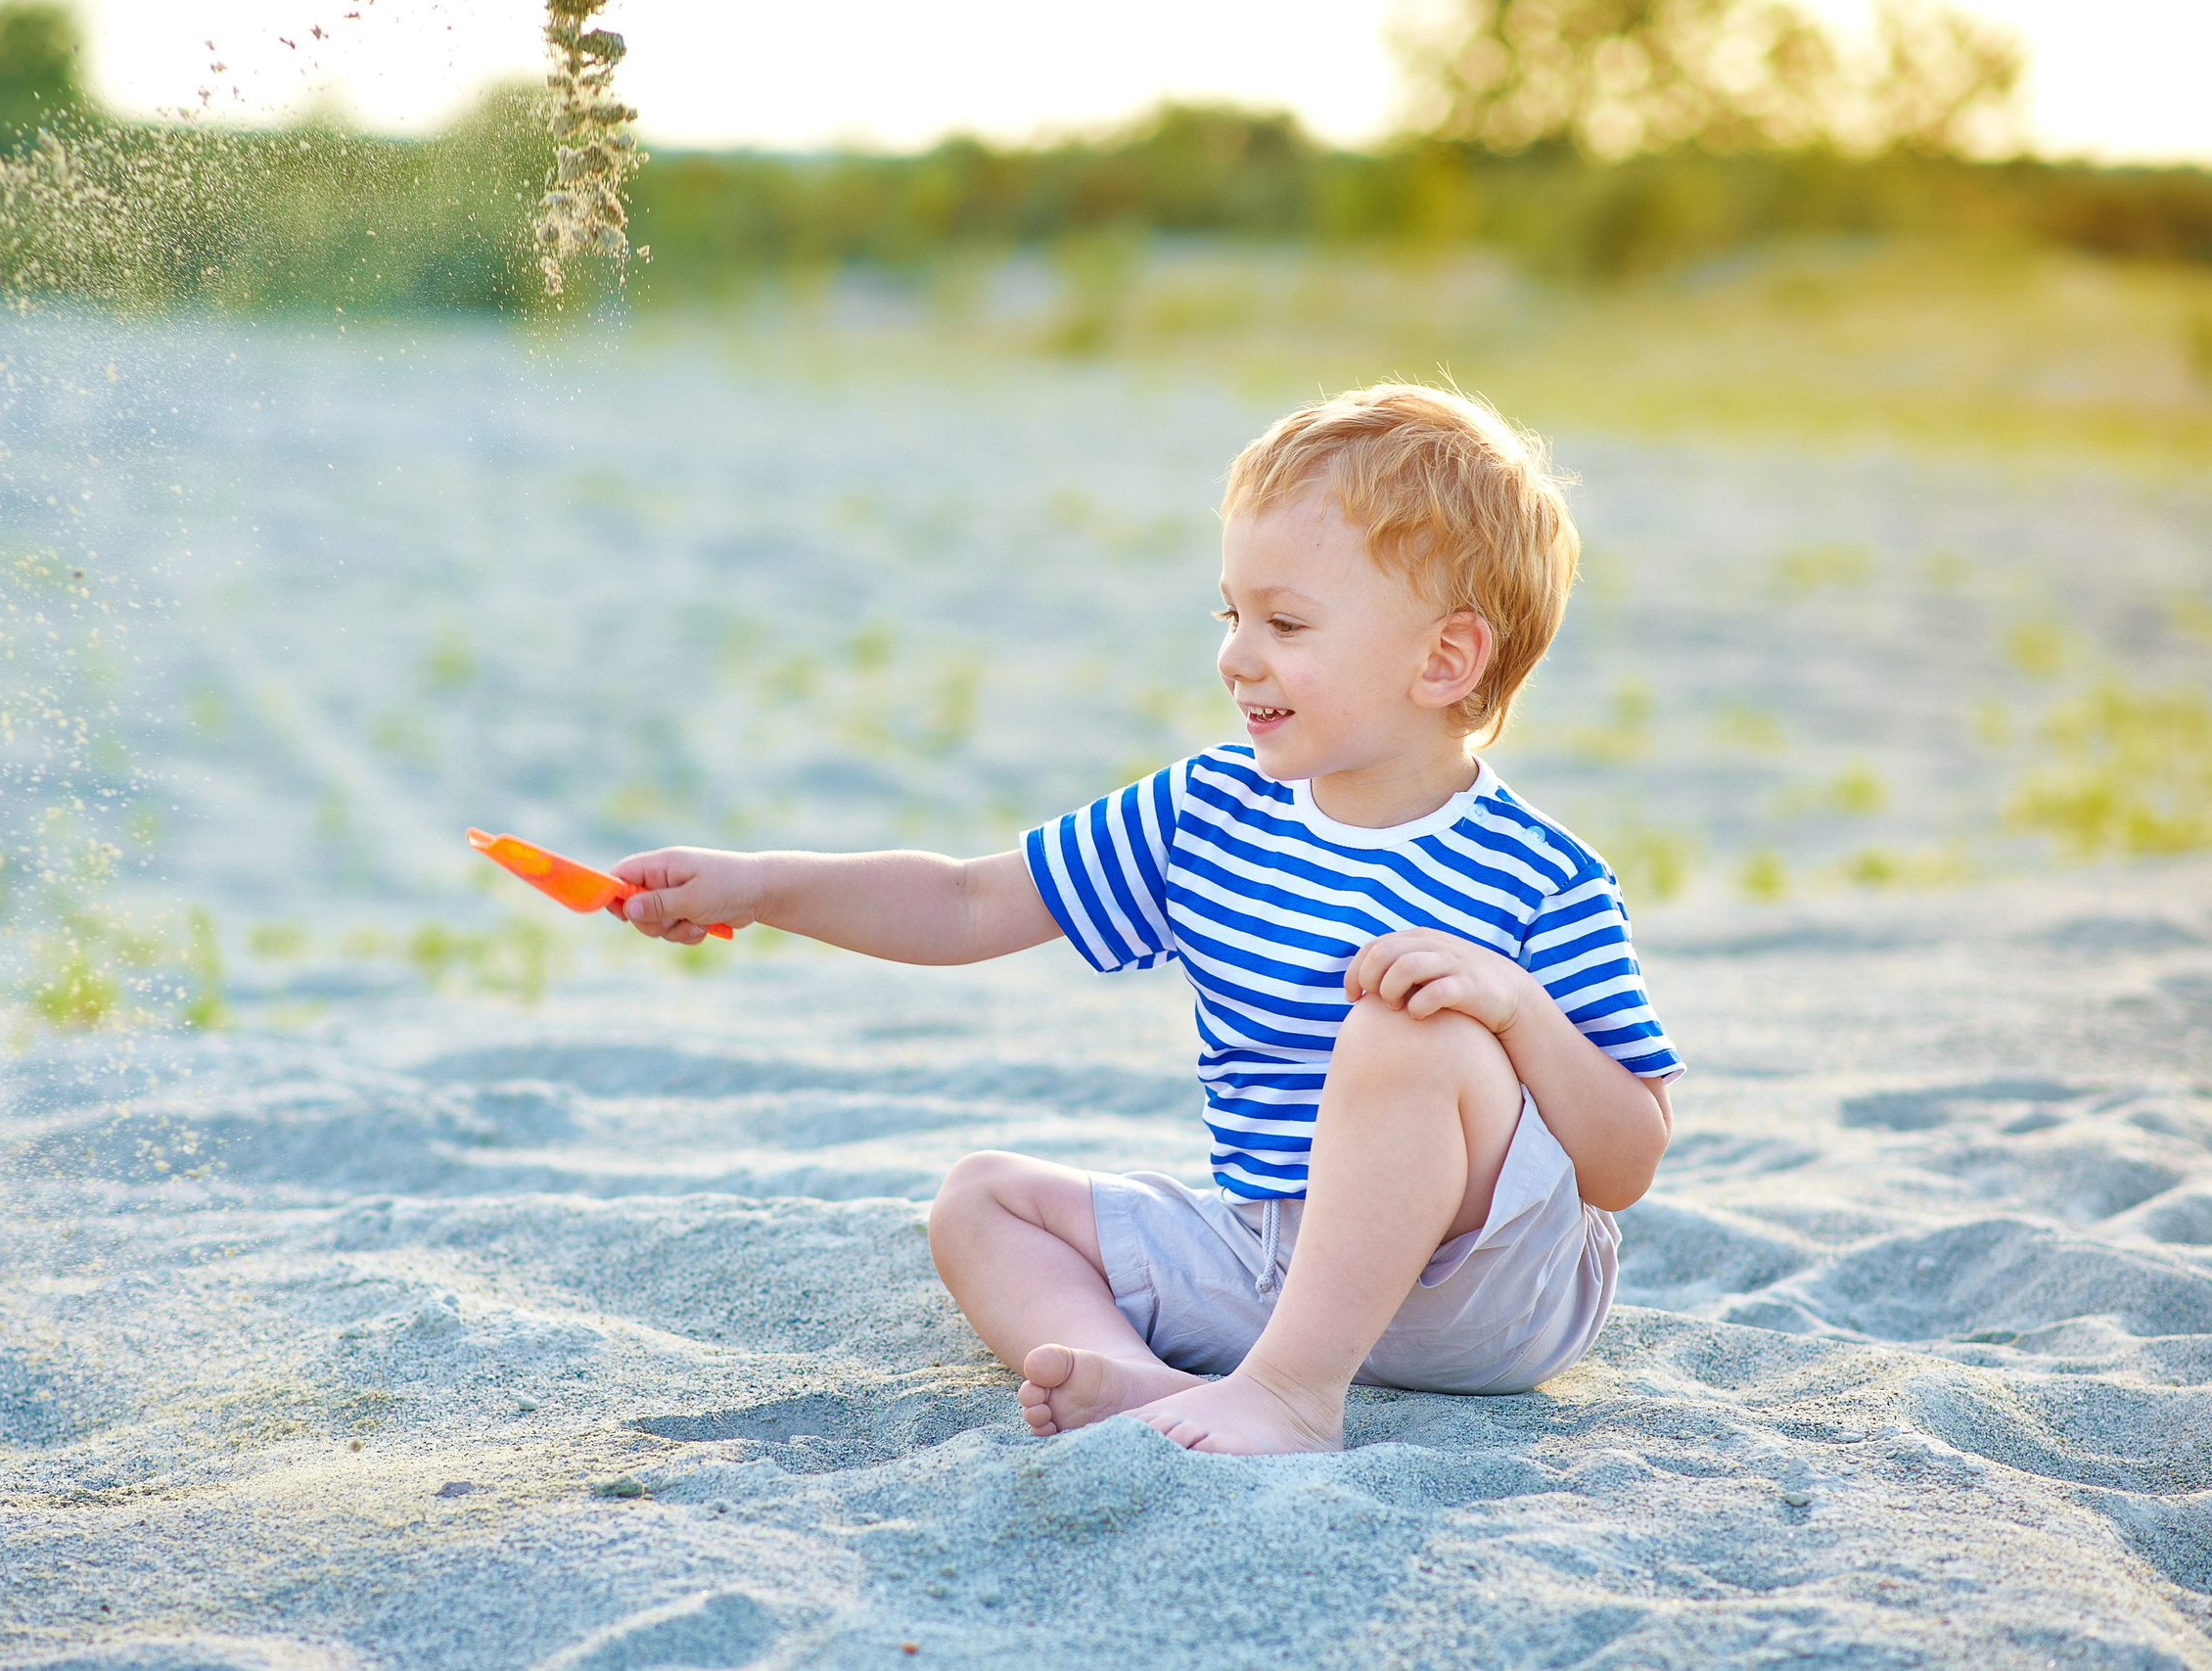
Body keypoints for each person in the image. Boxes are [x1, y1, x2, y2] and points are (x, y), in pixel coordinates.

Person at [611, 384, 1682, 1456]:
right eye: (1231, 615)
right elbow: (968, 900)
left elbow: (1624, 1165)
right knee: (981, 1203)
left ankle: (1292, 1397)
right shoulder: (1209, 811)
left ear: (1443, 660)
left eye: (1286, 623)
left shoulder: (1542, 874)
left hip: (1486, 1295)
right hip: (1273, 1260)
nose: (1235, 655)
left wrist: (1518, 1013)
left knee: (1406, 1030)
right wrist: (758, 887)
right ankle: (1139, 1382)